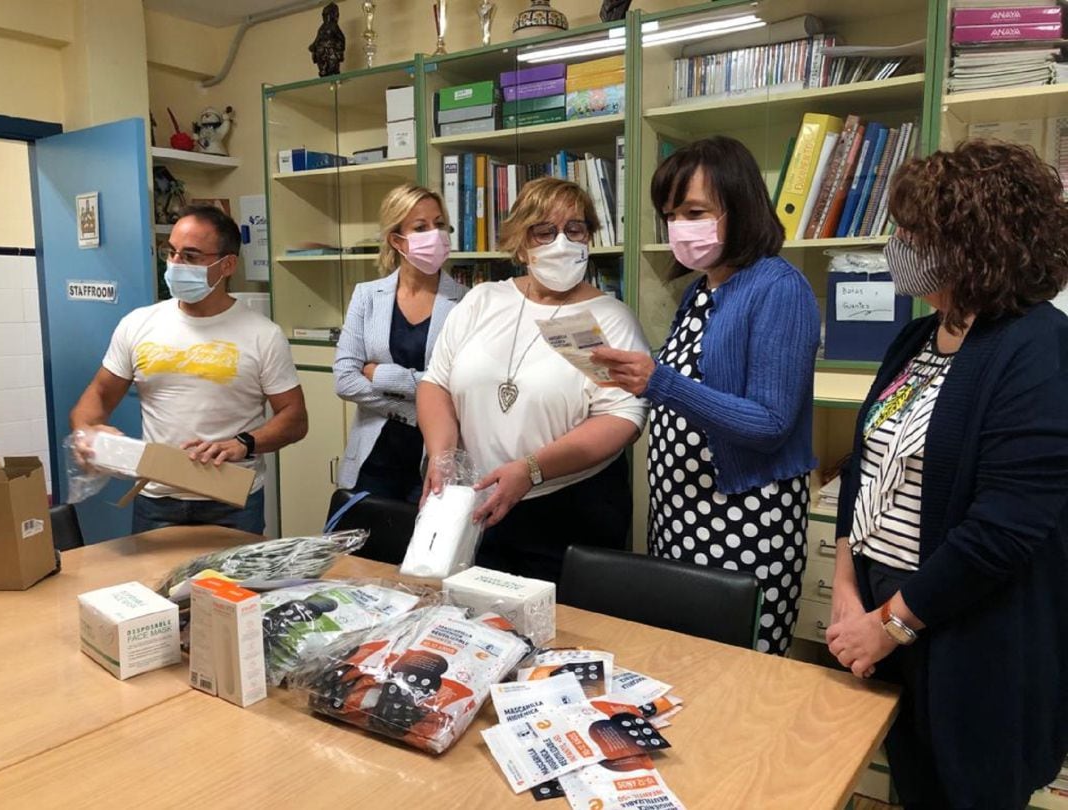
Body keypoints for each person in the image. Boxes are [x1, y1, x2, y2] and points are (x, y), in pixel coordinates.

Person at [826, 140, 1068, 808]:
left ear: (973, 242)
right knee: (914, 783)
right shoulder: (918, 337)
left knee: (967, 790)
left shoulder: (1036, 347)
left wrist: (892, 623)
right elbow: (863, 469)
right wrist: (846, 588)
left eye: (913, 232)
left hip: (969, 638)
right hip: (888, 620)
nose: (896, 244)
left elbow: (1005, 528)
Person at [593, 136, 820, 655]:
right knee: (682, 662)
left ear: (738, 207)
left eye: (695, 211)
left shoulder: (778, 288)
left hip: (742, 518)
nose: (680, 228)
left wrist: (660, 382)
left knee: (738, 672)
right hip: (680, 513)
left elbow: (769, 423)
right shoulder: (704, 287)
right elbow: (688, 386)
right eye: (671, 214)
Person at [417, 176, 650, 583]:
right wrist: (442, 457)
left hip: (568, 509)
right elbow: (435, 383)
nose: (562, 242)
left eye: (574, 229)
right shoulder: (482, 301)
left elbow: (623, 419)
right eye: (545, 231)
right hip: (474, 504)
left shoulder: (609, 318)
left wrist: (531, 468)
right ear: (520, 243)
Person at [71, 205, 307, 535]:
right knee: (154, 587)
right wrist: (88, 431)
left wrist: (244, 443)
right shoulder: (138, 324)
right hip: (157, 499)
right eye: (172, 253)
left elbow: (294, 418)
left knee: (235, 588)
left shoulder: (262, 334)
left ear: (226, 264)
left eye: (191, 256)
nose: (176, 265)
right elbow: (97, 396)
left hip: (232, 502)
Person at [333, 184, 466, 501]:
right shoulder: (367, 296)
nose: (434, 234)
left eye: (440, 225)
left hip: (435, 459)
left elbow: (459, 386)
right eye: (421, 227)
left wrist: (382, 375)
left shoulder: (466, 302)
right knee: (363, 548)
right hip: (373, 457)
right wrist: (417, 408)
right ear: (396, 239)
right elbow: (345, 380)